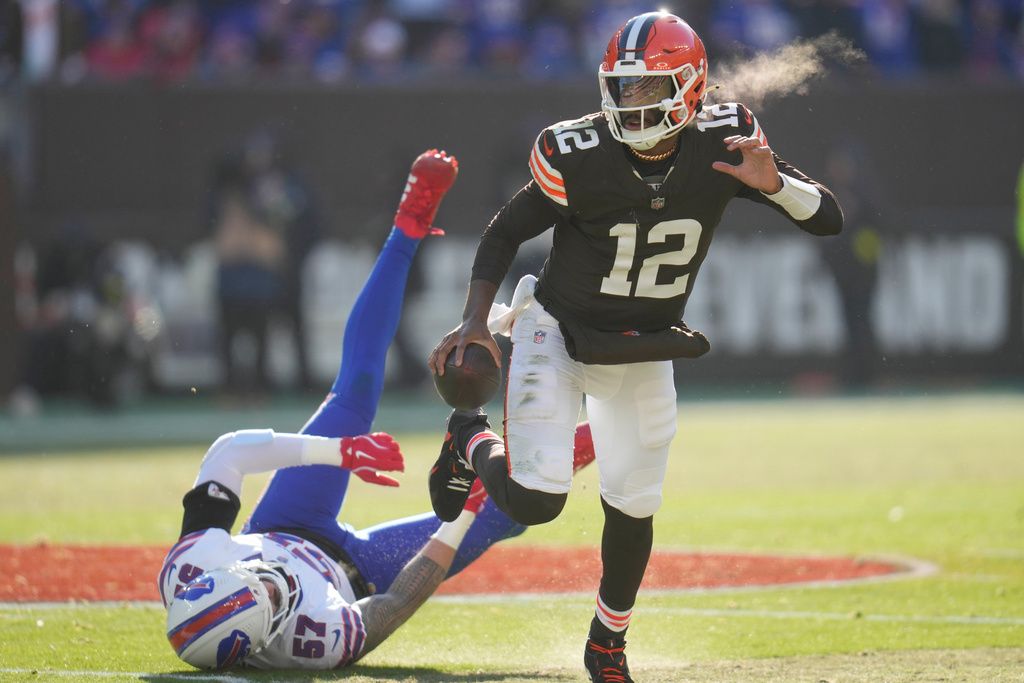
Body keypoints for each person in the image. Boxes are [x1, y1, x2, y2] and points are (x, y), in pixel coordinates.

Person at [426, 12, 844, 683]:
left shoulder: (725, 142)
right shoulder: (580, 154)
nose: (632, 102)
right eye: (623, 88)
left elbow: (828, 218)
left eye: (649, 89)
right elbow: (505, 232)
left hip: (642, 345)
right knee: (537, 498)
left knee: (634, 501)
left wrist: (775, 185)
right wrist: (476, 320)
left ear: (688, 86)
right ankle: (469, 435)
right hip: (555, 331)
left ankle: (606, 642)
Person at [159, 148, 599, 670]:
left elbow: (228, 454)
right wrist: (464, 519)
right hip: (360, 572)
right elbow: (395, 604)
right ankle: (609, 431)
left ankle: (409, 224)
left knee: (357, 389)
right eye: (274, 600)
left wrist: (339, 451)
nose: (273, 585)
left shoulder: (191, 565)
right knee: (508, 507)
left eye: (257, 580)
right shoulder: (312, 643)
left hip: (283, 520)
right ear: (266, 637)